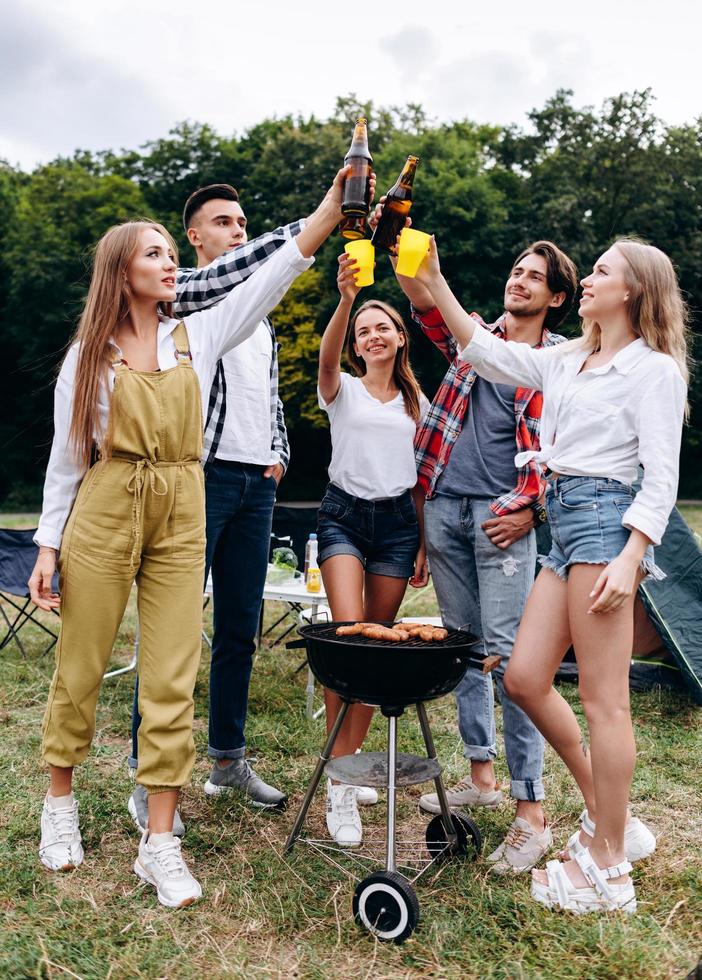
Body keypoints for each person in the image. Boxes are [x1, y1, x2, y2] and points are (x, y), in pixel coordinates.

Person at [28, 169, 349, 908]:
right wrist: (48, 545)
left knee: (174, 667)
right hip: (106, 505)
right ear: (121, 271)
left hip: (183, 500)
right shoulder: (87, 357)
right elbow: (66, 458)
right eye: (154, 254)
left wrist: (329, 212)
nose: (171, 263)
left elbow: (274, 275)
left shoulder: (197, 332)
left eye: (173, 251)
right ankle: (60, 800)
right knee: (81, 664)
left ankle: (160, 842)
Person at [413, 234, 688, 913]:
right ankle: (607, 813)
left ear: (632, 292)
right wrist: (437, 279)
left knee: (604, 701)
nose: (588, 279)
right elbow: (485, 351)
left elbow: (661, 477)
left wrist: (633, 555)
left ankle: (609, 869)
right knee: (524, 676)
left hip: (606, 524)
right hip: (563, 523)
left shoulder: (653, 370)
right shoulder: (568, 358)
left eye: (600, 272)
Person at [389, 234, 578, 874]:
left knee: (514, 663)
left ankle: (532, 814)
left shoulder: (563, 362)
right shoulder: (476, 338)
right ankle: (482, 774)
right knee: (464, 649)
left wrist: (533, 509)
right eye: (515, 269)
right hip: (444, 505)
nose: (518, 281)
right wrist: (406, 257)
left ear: (556, 298)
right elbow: (425, 302)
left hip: (504, 519)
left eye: (534, 277)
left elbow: (577, 448)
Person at [126, 183, 296, 833]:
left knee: (238, 633)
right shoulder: (186, 304)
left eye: (243, 222)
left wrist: (277, 450)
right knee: (169, 636)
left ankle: (226, 760)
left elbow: (269, 399)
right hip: (199, 482)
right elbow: (238, 269)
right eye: (224, 223)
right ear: (194, 238)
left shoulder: (262, 321)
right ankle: (149, 776)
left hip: (256, 487)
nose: (237, 231)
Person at [316, 252, 430, 846]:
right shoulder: (344, 391)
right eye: (365, 329)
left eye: (381, 324)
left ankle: (350, 760)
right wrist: (344, 301)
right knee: (349, 639)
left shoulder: (419, 405)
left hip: (395, 526)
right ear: (358, 346)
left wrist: (423, 544)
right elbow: (326, 358)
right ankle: (341, 787)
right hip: (342, 517)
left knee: (378, 652)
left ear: (399, 337)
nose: (373, 333)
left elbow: (421, 479)